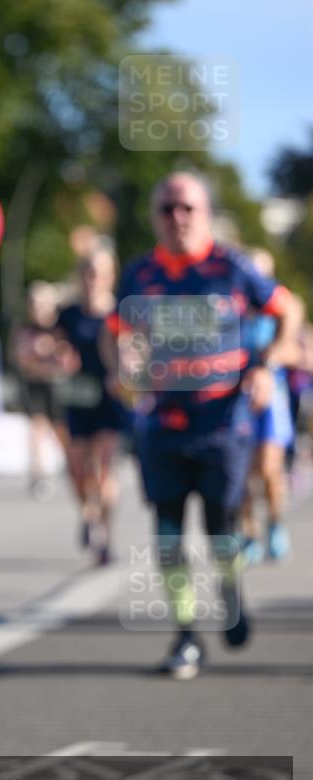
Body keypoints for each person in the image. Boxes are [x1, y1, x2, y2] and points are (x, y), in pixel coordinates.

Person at [102, 172, 299, 679]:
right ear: (155, 218)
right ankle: (186, 636)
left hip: (222, 425)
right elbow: (114, 333)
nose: (178, 218)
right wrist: (119, 365)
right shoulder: (140, 274)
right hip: (162, 425)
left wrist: (267, 364)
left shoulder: (232, 267)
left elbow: (289, 309)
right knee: (167, 535)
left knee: (221, 533)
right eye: (167, 209)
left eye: (187, 207)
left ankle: (230, 590)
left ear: (205, 212)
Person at [56, 241, 127, 565]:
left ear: (110, 276)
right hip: (77, 398)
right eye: (87, 273)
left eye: (98, 274)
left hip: (110, 399)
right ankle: (88, 511)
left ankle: (104, 537)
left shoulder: (120, 313)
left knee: (104, 466)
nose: (92, 280)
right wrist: (56, 357)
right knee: (77, 469)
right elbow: (47, 347)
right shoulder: (66, 314)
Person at [239, 249, 304, 563]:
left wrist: (271, 357)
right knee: (241, 472)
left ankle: (276, 522)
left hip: (272, 401)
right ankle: (249, 531)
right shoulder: (234, 308)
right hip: (238, 399)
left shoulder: (284, 309)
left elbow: (301, 355)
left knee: (267, 468)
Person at [11, 281, 69, 501]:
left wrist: (51, 353)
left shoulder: (60, 328)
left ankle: (70, 464)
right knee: (36, 428)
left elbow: (66, 357)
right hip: (34, 385)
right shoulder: (25, 330)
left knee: (61, 429)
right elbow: (19, 356)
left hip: (57, 385)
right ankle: (39, 474)